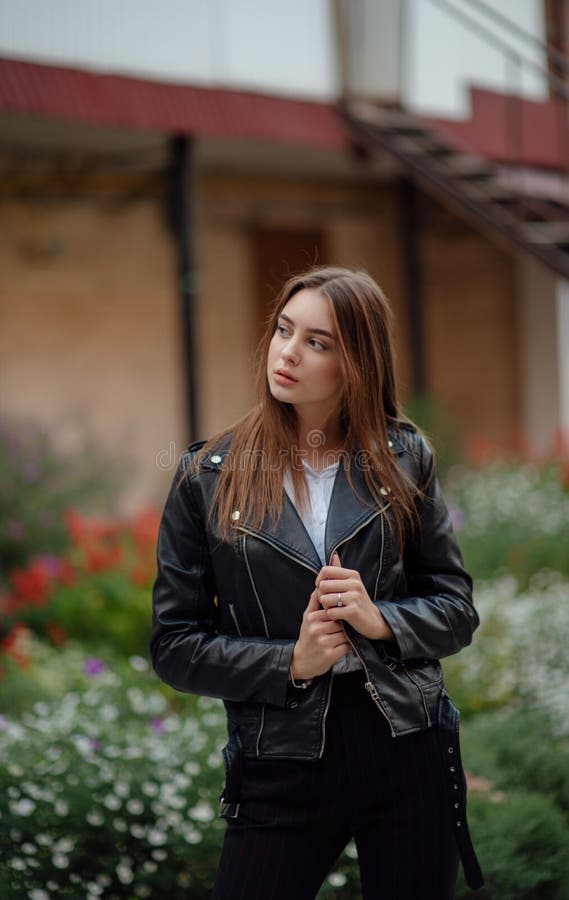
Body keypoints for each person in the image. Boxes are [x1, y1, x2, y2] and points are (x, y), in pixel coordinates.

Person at [151, 266, 484, 899]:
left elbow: (456, 608)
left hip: (405, 747)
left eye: (318, 342)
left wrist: (379, 617)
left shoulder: (404, 459)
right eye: (283, 330)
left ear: (356, 362)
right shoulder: (207, 475)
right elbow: (174, 646)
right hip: (278, 758)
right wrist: (292, 661)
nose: (288, 352)